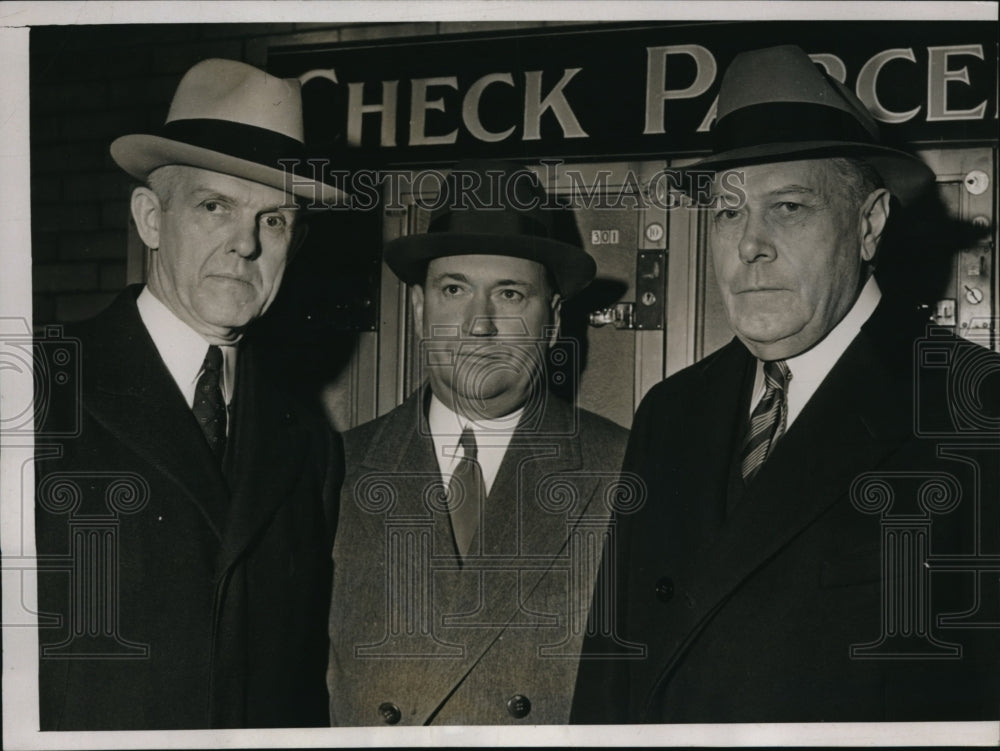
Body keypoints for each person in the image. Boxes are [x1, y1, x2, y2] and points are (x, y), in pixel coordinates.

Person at [571, 44, 1000, 723]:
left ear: (869, 224)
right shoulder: (672, 412)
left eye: (790, 207)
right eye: (729, 212)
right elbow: (609, 678)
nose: (750, 245)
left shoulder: (973, 410)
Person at [34, 58, 345, 729]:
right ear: (150, 218)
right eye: (215, 207)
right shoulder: (37, 386)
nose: (245, 244)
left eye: (276, 220)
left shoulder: (308, 438)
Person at [327, 161, 629, 725]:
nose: (479, 325)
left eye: (510, 294)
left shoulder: (621, 469)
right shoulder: (336, 468)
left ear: (553, 320)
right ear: (419, 310)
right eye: (453, 290)